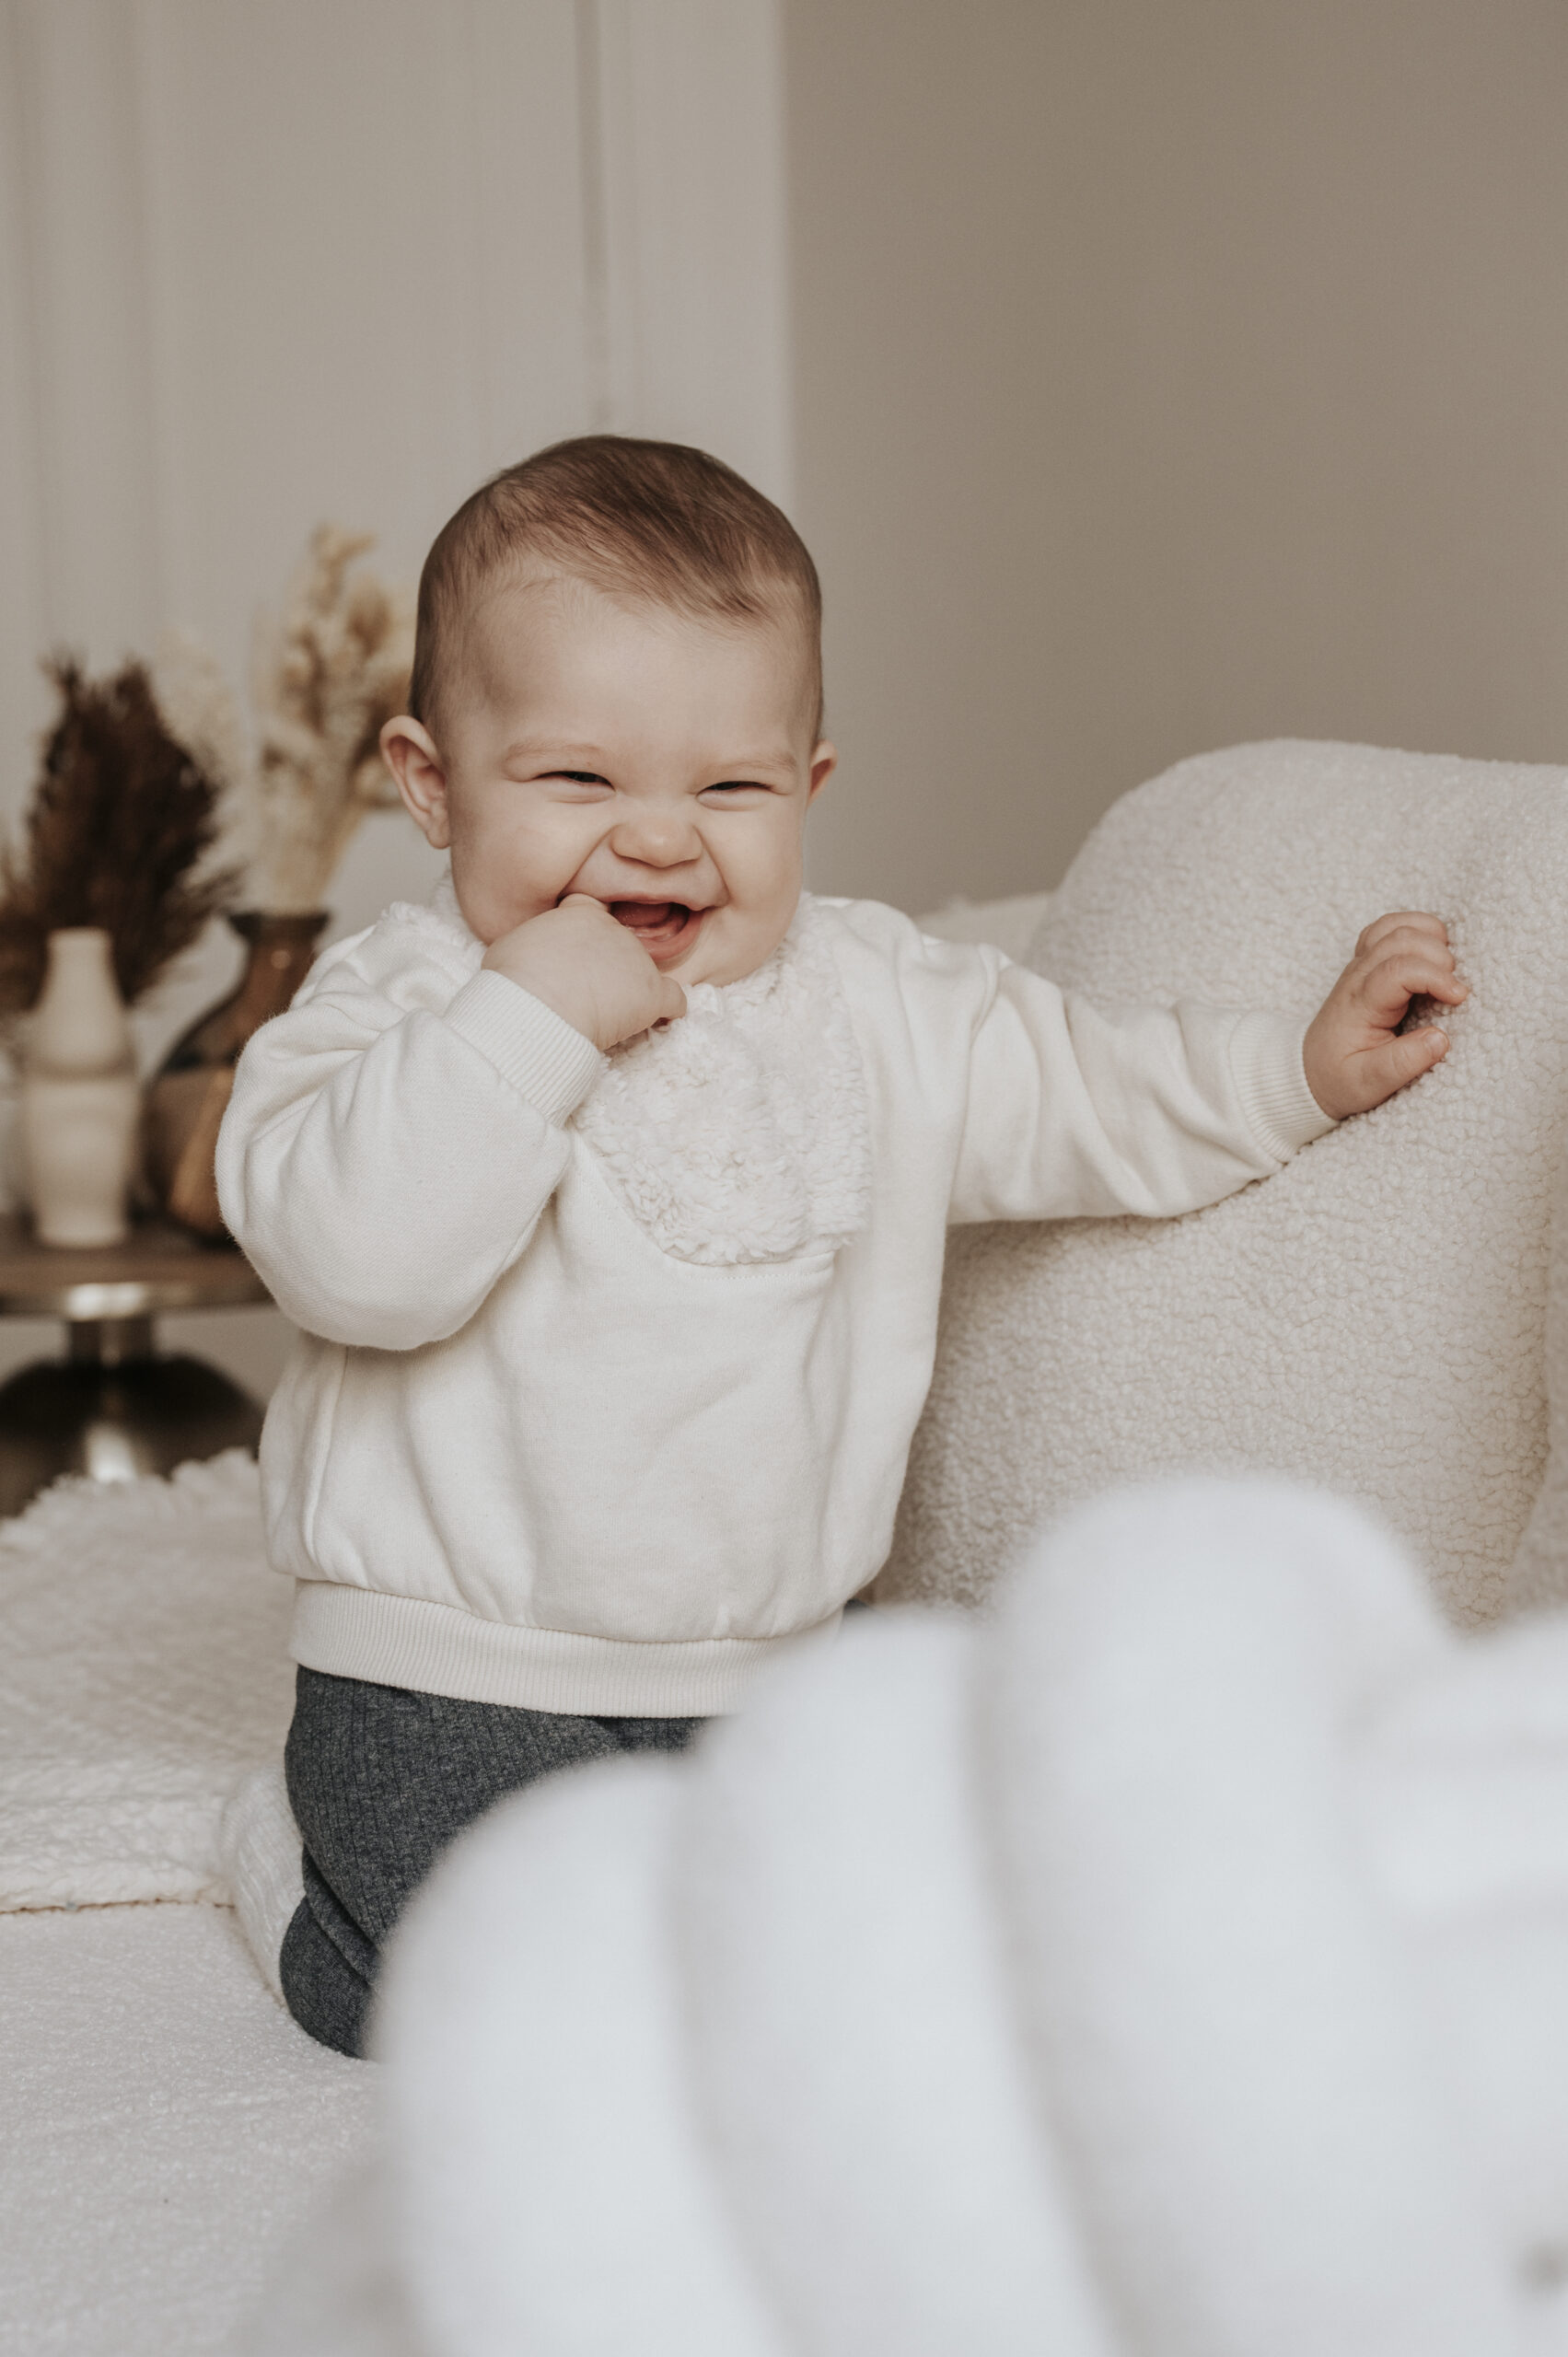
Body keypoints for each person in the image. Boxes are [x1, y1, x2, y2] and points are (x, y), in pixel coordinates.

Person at [216, 435, 1467, 2055]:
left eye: (727, 788)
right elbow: (357, 1264)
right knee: (513, 2009)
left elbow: (1090, 1088)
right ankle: (300, 1881)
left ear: (805, 789)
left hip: (779, 1674)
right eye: (578, 782)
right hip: (449, 1681)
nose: (658, 840)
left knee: (866, 1964)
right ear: (432, 782)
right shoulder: (392, 1008)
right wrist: (529, 1017)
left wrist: (1293, 1072)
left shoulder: (878, 1001)